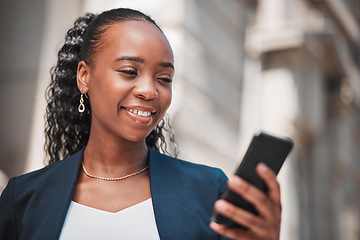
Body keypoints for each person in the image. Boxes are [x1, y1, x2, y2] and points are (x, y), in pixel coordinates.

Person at [0, 8, 282, 240]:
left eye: (164, 78)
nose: (149, 91)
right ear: (84, 76)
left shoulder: (210, 190)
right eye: (129, 71)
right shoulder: (23, 198)